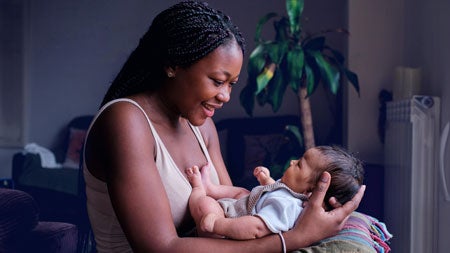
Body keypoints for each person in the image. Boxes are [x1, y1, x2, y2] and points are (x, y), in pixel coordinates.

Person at [82, 1, 365, 252]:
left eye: (231, 85)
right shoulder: (126, 122)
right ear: (172, 65)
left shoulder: (203, 127)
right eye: (217, 81)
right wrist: (296, 238)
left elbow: (235, 219)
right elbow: (161, 247)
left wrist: (310, 212)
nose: (225, 97)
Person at [186, 145, 364, 240]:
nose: (293, 161)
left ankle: (199, 191)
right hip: (246, 205)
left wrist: (218, 224)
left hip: (231, 229)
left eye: (300, 164)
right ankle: (211, 188)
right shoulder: (291, 194)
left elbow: (256, 229)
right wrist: (267, 180)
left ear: (310, 191)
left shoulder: (285, 207)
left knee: (206, 204)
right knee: (242, 192)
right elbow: (276, 192)